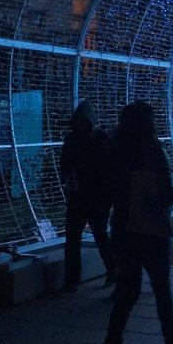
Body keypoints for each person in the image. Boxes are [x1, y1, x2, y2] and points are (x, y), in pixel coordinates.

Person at [97, 101, 173, 344]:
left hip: (124, 230)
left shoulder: (115, 151)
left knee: (128, 291)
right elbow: (168, 191)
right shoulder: (153, 149)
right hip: (152, 231)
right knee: (161, 287)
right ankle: (171, 337)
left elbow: (109, 191)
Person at [60, 101, 116, 293]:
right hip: (85, 197)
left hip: (89, 197)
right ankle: (108, 272)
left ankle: (74, 280)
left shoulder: (78, 140)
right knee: (86, 238)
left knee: (92, 237)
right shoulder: (99, 140)